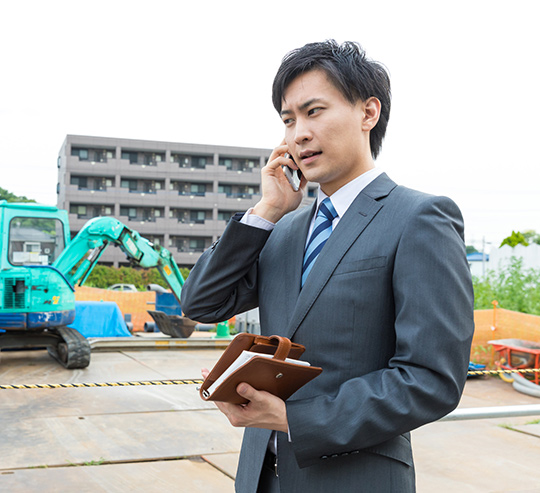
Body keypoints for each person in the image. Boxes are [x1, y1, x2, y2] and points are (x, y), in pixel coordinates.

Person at [180, 40, 474, 492]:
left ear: (367, 113)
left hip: (357, 477)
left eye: (313, 111)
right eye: (288, 119)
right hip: (261, 477)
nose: (297, 133)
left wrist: (294, 417)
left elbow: (431, 378)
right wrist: (266, 210)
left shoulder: (419, 218)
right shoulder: (282, 230)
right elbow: (202, 302)